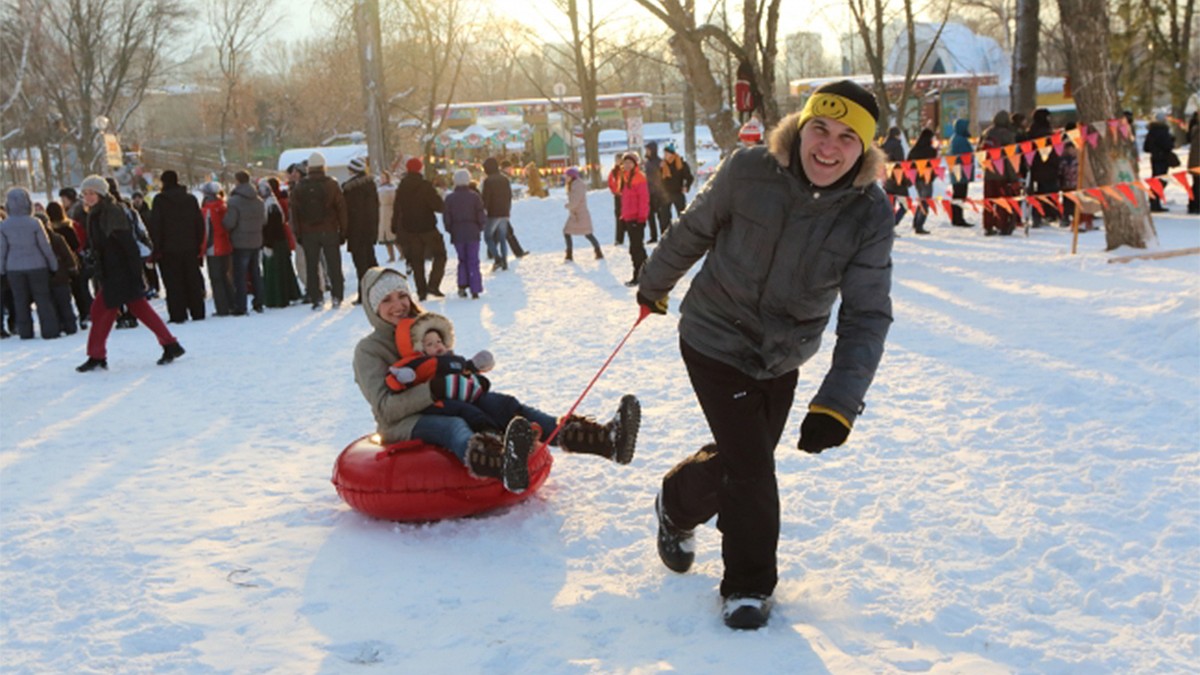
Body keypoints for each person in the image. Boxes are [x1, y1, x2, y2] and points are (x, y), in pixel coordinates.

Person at [636, 80, 894, 630]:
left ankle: (676, 503)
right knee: (753, 468)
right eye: (820, 129)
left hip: (782, 354)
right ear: (799, 128)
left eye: (847, 138)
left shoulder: (868, 213)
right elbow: (694, 228)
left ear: (865, 150)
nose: (828, 146)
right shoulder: (749, 170)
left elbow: (867, 314)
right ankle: (748, 586)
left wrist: (838, 402)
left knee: (742, 460)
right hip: (713, 337)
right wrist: (654, 283)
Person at [354, 267, 641, 493]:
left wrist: (469, 378)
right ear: (373, 307)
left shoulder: (422, 328)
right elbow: (385, 408)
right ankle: (504, 466)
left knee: (507, 406)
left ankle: (605, 440)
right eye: (387, 300)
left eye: (402, 295)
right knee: (455, 426)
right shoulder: (368, 351)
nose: (399, 305)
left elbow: (446, 365)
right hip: (406, 422)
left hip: (451, 401)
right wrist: (434, 390)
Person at [74, 175, 184, 371]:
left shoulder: (112, 212)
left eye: (91, 193)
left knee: (101, 311)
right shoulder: (96, 213)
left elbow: (128, 245)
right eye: (85, 194)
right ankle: (170, 344)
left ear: (101, 193)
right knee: (133, 309)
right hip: (112, 271)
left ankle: (97, 355)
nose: (88, 197)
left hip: (120, 271)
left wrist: (135, 273)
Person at [147, 170, 206, 324]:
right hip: (190, 246)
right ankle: (197, 311)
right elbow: (199, 223)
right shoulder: (190, 199)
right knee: (192, 280)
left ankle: (178, 313)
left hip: (168, 249)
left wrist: (157, 248)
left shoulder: (160, 200)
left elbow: (156, 226)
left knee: (173, 283)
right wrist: (197, 243)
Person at [0, 187, 60, 339]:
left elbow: (2, 250)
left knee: (20, 300)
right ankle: (50, 330)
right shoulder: (35, 223)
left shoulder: (4, 226)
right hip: (37, 265)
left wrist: (2, 269)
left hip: (14, 267)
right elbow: (45, 246)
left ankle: (25, 332)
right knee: (42, 298)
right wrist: (53, 265)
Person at [291, 151, 348, 308]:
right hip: (329, 230)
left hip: (309, 232)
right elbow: (341, 208)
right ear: (324, 166)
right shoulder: (331, 184)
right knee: (334, 265)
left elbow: (294, 212)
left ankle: (317, 298)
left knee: (312, 266)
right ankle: (337, 296)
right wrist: (343, 231)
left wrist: (298, 233)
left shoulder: (300, 186)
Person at [392, 157, 446, 301]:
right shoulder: (425, 186)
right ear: (420, 169)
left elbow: (397, 209)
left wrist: (394, 227)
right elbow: (438, 206)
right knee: (440, 255)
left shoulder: (401, 187)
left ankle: (421, 291)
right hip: (428, 227)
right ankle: (433, 285)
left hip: (410, 229)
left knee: (417, 261)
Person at [223, 171, 267, 315]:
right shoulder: (259, 200)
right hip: (256, 240)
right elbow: (264, 220)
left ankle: (241, 306)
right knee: (256, 272)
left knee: (240, 276)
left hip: (240, 242)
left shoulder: (234, 201)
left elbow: (229, 223)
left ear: (237, 181)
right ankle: (259, 302)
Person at [47, 200, 93, 328]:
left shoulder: (49, 232)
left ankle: (65, 319)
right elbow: (76, 245)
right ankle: (84, 314)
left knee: (62, 293)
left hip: (57, 265)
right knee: (79, 290)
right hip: (73, 261)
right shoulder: (68, 227)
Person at [259, 178, 303, 307]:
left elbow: (273, 227)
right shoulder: (272, 203)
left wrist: (268, 244)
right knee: (283, 270)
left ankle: (278, 299)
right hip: (279, 241)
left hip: (275, 242)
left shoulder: (270, 205)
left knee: (276, 272)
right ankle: (288, 295)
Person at [342, 156, 380, 305]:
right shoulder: (371, 185)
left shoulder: (348, 188)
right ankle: (378, 291)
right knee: (371, 262)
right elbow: (374, 210)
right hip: (368, 230)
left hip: (355, 231)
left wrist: (344, 232)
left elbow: (345, 213)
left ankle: (363, 294)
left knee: (361, 265)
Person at [443, 169, 485, 299]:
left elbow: (446, 218)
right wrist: (479, 227)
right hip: (472, 231)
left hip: (458, 232)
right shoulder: (474, 197)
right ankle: (475, 288)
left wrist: (451, 229)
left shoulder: (450, 198)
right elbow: (481, 214)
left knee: (462, 259)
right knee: (473, 260)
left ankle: (462, 285)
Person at [980, 111, 1020, 235]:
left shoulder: (986, 133)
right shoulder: (1007, 135)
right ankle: (1002, 225)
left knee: (989, 200)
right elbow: (1010, 157)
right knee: (1003, 201)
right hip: (1003, 174)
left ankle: (988, 225)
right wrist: (1014, 177)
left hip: (989, 173)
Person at [615, 152, 650, 287]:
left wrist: (641, 217)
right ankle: (646, 272)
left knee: (636, 248)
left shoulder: (639, 177)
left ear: (635, 164)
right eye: (625, 162)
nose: (627, 165)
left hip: (637, 218)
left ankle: (639, 275)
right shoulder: (624, 177)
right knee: (637, 248)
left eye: (630, 162)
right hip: (629, 217)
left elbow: (644, 199)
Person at [1026, 108, 1061, 227]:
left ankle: (1038, 215)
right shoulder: (1045, 132)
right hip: (1048, 167)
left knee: (1038, 194)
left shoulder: (1031, 131)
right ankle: (1049, 214)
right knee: (1049, 192)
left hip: (1035, 167)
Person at [562, 166, 602, 261]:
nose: (565, 178)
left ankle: (598, 251)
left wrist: (568, 206)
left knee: (588, 234)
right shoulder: (573, 185)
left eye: (567, 176)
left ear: (572, 177)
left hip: (580, 215)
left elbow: (575, 202)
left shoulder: (577, 186)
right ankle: (569, 254)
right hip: (575, 215)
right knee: (567, 232)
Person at [481, 157, 513, 271]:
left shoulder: (488, 181)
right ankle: (504, 261)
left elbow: (486, 198)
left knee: (488, 236)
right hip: (504, 212)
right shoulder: (504, 179)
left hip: (493, 213)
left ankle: (497, 258)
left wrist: (484, 210)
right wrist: (508, 209)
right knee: (502, 237)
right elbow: (509, 196)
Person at [1143, 113, 1177, 212]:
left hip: (1155, 158)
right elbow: (1168, 146)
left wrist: (1155, 150)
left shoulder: (1151, 131)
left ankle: (1154, 201)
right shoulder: (1163, 131)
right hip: (1163, 159)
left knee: (1155, 180)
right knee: (1160, 181)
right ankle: (1155, 203)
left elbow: (1146, 147)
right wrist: (1171, 141)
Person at [906, 128, 937, 235]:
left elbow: (908, 164)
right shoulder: (931, 151)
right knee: (926, 201)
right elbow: (934, 166)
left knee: (922, 200)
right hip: (926, 179)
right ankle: (919, 225)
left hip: (917, 179)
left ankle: (916, 222)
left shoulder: (914, 150)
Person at [659, 143, 693, 236]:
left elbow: (689, 177)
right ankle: (665, 235)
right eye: (664, 153)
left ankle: (684, 233)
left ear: (672, 154)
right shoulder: (662, 165)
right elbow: (658, 179)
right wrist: (660, 169)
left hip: (677, 192)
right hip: (665, 194)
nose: (665, 156)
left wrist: (686, 186)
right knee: (664, 217)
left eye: (667, 153)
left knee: (682, 214)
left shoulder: (681, 164)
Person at [947, 118, 976, 227]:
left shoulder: (955, 138)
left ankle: (957, 217)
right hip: (961, 171)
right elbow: (966, 155)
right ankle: (958, 218)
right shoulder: (960, 140)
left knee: (958, 194)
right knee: (960, 194)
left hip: (958, 170)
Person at [881, 126, 909, 225]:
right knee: (906, 204)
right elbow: (901, 163)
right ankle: (892, 224)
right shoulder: (897, 146)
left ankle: (888, 225)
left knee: (890, 205)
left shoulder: (883, 146)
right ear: (897, 135)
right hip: (898, 178)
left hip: (887, 178)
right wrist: (906, 180)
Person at [643, 141, 666, 243]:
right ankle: (653, 236)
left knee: (661, 216)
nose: (646, 152)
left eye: (648, 150)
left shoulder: (659, 162)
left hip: (658, 192)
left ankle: (663, 234)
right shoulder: (647, 163)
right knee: (650, 215)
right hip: (649, 192)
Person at [378, 170, 399, 262]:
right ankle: (391, 256)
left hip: (390, 212)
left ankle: (402, 253)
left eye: (384, 177)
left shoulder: (392, 189)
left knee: (393, 235)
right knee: (385, 236)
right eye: (381, 177)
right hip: (382, 213)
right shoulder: (379, 189)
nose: (382, 179)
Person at [607, 153, 626, 245]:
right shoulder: (613, 171)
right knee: (618, 216)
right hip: (618, 196)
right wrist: (614, 191)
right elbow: (610, 182)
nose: (618, 161)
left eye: (619, 159)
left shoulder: (626, 170)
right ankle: (619, 238)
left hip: (626, 196)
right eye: (616, 160)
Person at [1188, 112, 1199, 215]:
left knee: (1196, 184)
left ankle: (1193, 205)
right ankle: (1196, 205)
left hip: (1194, 161)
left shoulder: (1194, 129)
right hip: (1198, 161)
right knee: (1198, 185)